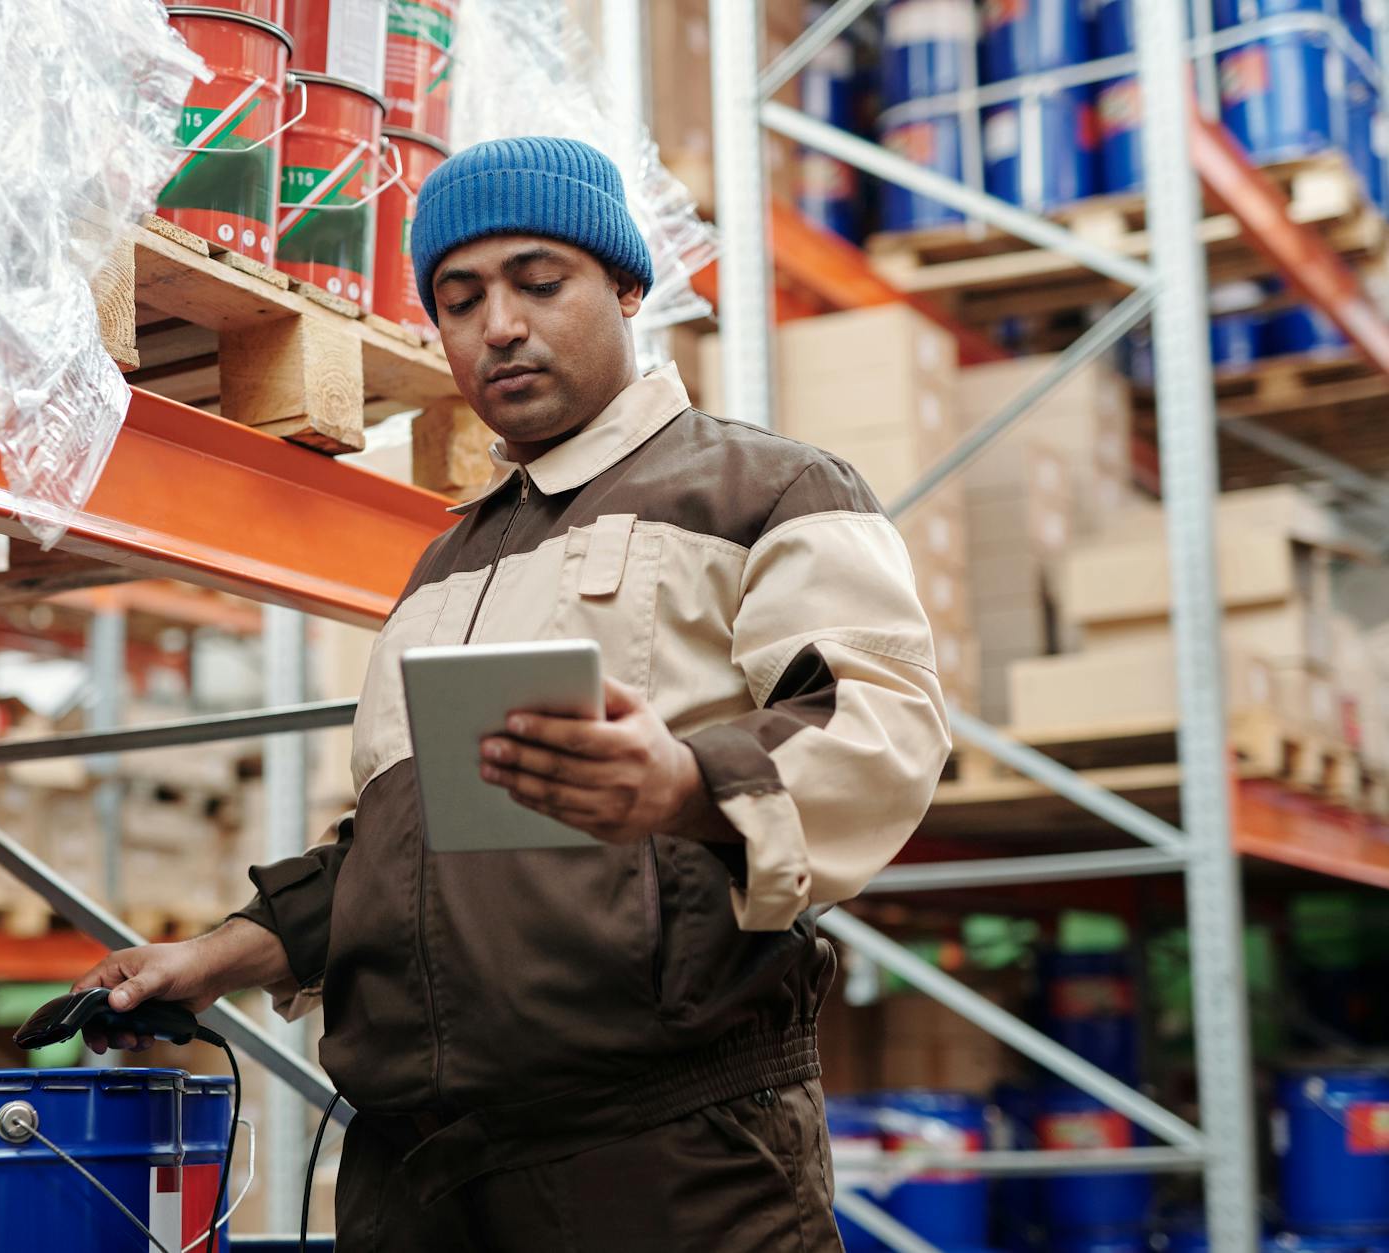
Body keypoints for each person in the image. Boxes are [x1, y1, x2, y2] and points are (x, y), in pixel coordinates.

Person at [72, 136, 950, 1249]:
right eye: (459, 297)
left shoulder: (766, 489)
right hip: (422, 1176)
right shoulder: (444, 568)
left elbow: (879, 727)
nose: (499, 324)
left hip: (666, 1159)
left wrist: (684, 781)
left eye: (539, 282)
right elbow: (402, 842)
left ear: (626, 286)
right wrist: (222, 952)